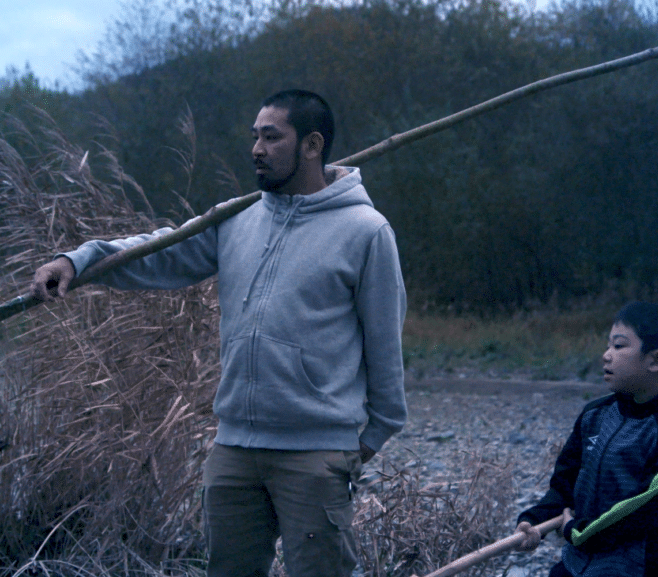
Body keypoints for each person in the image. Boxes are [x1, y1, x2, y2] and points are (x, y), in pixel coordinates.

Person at [31, 89, 408, 577]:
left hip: (316, 455)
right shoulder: (236, 218)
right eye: (255, 137)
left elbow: (386, 346)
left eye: (272, 138)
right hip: (234, 452)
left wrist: (366, 441)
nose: (256, 149)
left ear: (312, 145)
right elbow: (156, 252)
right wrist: (77, 261)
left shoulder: (366, 232)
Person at [514, 302, 658, 577]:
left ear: (656, 360)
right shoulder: (594, 415)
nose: (606, 356)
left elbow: (642, 512)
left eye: (619, 346)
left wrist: (577, 531)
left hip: (637, 570)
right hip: (578, 562)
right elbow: (564, 483)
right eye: (608, 346)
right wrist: (535, 519)